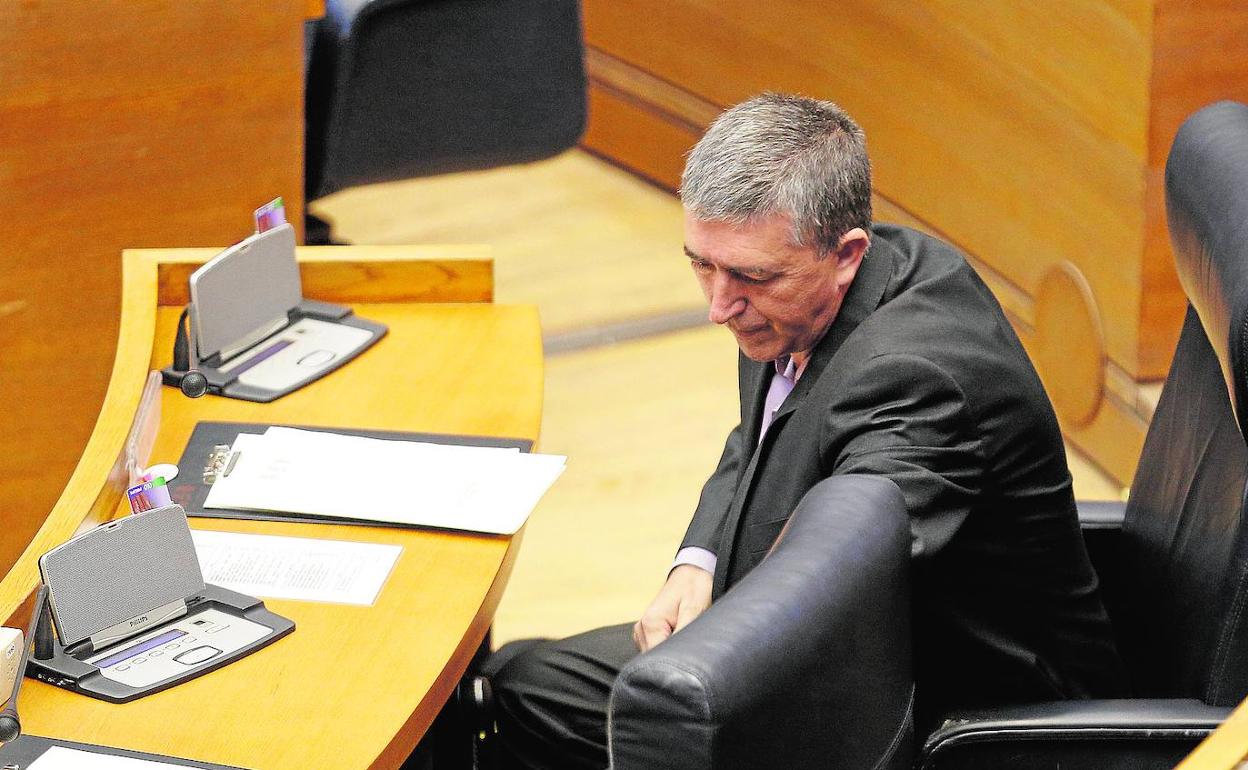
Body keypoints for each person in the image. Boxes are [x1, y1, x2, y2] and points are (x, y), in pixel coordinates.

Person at [480, 92, 1126, 769]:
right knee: (517, 686)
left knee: (545, 704)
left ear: (846, 252)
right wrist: (696, 562)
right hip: (850, 647)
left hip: (947, 712)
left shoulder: (917, 378)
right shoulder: (795, 286)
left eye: (748, 277)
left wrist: (699, 664)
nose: (718, 306)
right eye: (701, 264)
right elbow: (758, 436)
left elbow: (838, 571)